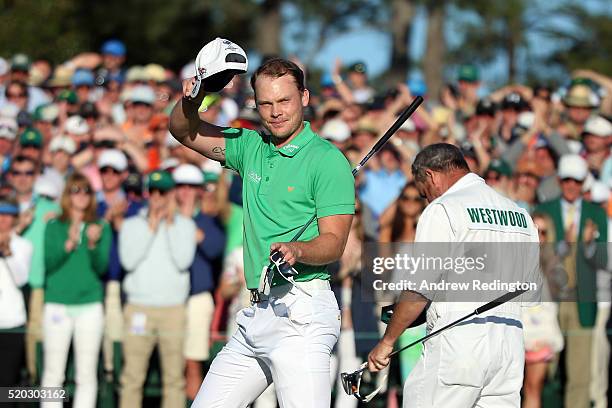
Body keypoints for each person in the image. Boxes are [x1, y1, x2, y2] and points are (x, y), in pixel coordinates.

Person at [170, 53, 354, 407]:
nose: (275, 111)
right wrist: (191, 100)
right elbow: (182, 129)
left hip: (302, 312)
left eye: (284, 100)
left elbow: (334, 243)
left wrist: (299, 250)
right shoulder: (249, 147)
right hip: (258, 311)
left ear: (304, 97)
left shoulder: (327, 160)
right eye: (266, 103)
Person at [367, 143, 540, 408]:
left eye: (424, 194)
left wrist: (387, 341)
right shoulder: (520, 214)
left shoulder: (444, 209)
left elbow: (418, 290)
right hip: (509, 345)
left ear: (431, 176)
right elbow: (530, 294)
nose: (428, 200)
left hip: (459, 342)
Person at [118, 170, 196, 408]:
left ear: (171, 194)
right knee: (132, 377)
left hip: (172, 310)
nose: (158, 197)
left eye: (163, 192)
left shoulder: (185, 225)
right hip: (139, 307)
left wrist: (170, 224)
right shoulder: (132, 224)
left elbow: (183, 260)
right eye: (153, 191)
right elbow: (128, 261)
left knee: (174, 379)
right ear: (147, 193)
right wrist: (150, 227)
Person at [535, 154, 608, 408]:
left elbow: (602, 260)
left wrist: (588, 245)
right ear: (559, 180)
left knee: (580, 375)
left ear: (583, 183)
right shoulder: (543, 211)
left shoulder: (595, 213)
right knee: (549, 373)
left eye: (576, 181)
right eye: (566, 180)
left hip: (582, 302)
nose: (571, 186)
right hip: (549, 302)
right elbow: (537, 258)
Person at [41, 173, 111, 408]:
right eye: (75, 190)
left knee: (86, 374)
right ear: (67, 194)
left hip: (89, 305)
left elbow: (101, 267)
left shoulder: (100, 226)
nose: (81, 195)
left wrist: (92, 245)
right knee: (53, 373)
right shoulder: (54, 225)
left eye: (86, 190)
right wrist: (67, 245)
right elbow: (48, 263)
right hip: (57, 304)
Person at [0, 195, 33, 391]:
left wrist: (8, 252)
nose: (3, 219)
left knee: (7, 387)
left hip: (12, 323)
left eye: (8, 215)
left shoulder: (23, 245)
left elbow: (21, 279)